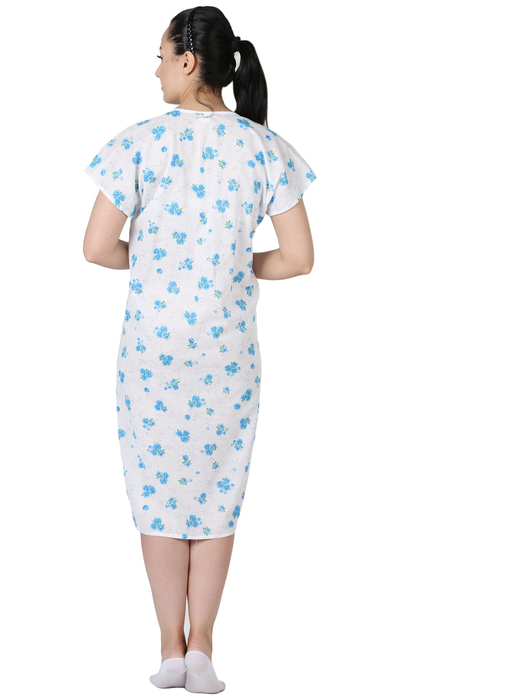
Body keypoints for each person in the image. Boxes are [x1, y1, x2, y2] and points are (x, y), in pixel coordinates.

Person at [82, 6, 316, 693]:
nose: (156, 71)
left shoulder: (137, 143)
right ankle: (205, 647)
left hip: (152, 350)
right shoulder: (264, 148)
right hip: (228, 352)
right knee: (218, 495)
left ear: (188, 62)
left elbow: (96, 248)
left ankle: (168, 648)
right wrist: (234, 266)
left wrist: (157, 260)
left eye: (160, 58)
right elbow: (299, 258)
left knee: (156, 495)